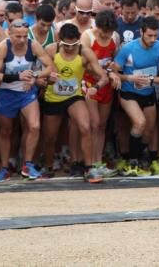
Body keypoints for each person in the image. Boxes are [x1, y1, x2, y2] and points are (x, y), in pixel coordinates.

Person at [41, 23, 109, 183]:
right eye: (66, 45)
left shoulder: (85, 52)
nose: (70, 48)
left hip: (74, 96)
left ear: (78, 41)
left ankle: (89, 168)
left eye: (74, 45)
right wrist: (47, 80)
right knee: (50, 137)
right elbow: (40, 75)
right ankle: (48, 166)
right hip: (53, 97)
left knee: (85, 127)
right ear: (60, 40)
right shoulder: (51, 50)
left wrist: (96, 87)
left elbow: (103, 76)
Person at [0, 19, 55, 182]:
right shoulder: (3, 47)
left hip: (26, 92)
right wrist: (18, 76)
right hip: (7, 93)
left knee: (34, 126)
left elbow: (50, 67)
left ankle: (28, 164)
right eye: (17, 36)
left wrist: (34, 76)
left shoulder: (33, 45)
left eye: (24, 36)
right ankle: (4, 168)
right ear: (9, 35)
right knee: (6, 131)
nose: (21, 40)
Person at [109, 16, 159, 176]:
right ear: (141, 32)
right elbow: (114, 72)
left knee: (150, 130)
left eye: (155, 35)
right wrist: (130, 78)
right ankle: (132, 162)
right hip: (128, 93)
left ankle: (151, 159)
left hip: (148, 93)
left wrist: (151, 80)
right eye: (149, 35)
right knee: (140, 123)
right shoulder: (128, 49)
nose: (153, 39)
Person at [80, 9, 120, 176]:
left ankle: (98, 162)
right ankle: (89, 163)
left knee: (102, 126)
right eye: (104, 33)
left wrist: (112, 72)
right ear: (98, 27)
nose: (106, 36)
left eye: (109, 33)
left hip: (106, 85)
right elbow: (82, 63)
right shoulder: (87, 36)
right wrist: (101, 72)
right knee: (94, 124)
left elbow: (115, 61)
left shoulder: (115, 37)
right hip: (90, 83)